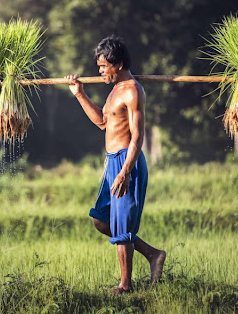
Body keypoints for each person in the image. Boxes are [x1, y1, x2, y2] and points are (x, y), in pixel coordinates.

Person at [66, 35, 166, 294]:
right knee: (101, 219)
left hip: (126, 161)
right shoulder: (115, 90)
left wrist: (125, 171)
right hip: (112, 162)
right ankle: (153, 255)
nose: (99, 71)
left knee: (122, 226)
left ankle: (125, 286)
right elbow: (102, 121)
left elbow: (137, 136)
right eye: (98, 66)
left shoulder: (132, 90)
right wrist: (80, 94)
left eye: (103, 66)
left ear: (118, 64)